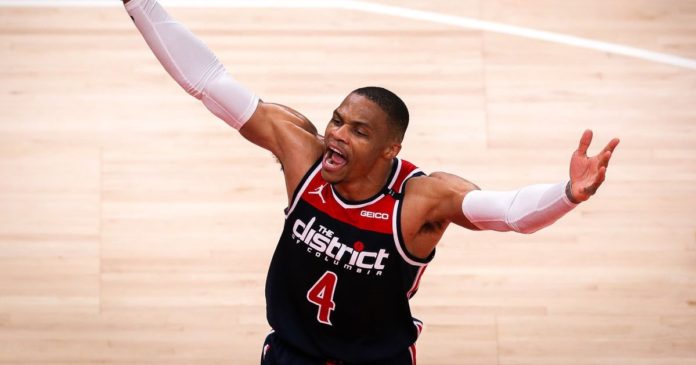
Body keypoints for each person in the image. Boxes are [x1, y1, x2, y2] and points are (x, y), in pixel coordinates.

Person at [121, 1, 620, 364]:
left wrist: (568, 194)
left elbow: (509, 213)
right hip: (292, 354)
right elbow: (208, 81)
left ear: (390, 150)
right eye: (337, 120)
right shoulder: (305, 157)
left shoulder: (421, 200)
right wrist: (139, 3)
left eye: (358, 131)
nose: (336, 134)